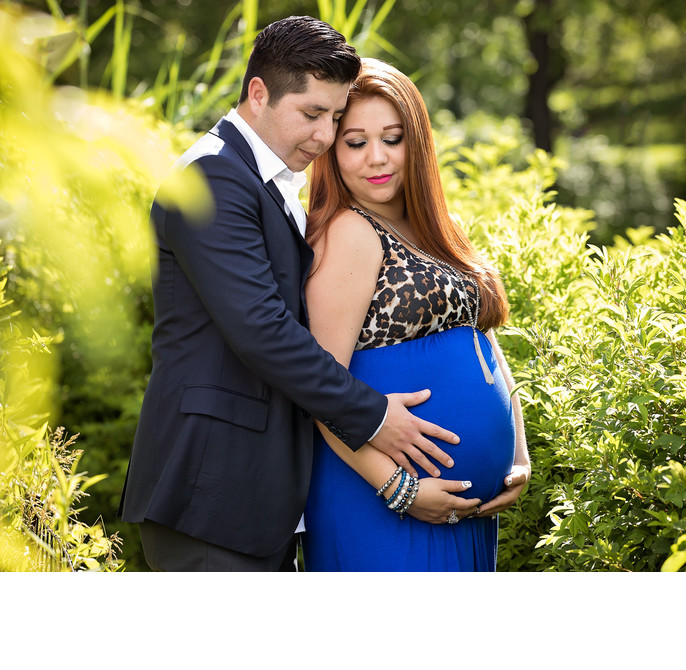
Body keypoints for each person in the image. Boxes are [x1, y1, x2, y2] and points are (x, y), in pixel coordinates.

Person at [118, 18, 474, 572]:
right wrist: (376, 415)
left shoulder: (265, 180)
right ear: (257, 94)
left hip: (256, 499)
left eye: (335, 118)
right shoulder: (211, 178)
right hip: (210, 493)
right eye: (312, 114)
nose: (326, 137)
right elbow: (263, 333)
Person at [301, 58, 531, 571]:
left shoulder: (438, 226)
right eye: (356, 142)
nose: (376, 158)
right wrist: (400, 489)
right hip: (378, 501)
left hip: (465, 508)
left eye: (393, 138)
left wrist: (517, 454)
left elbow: (483, 344)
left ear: (418, 142)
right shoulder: (348, 233)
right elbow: (318, 391)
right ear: (332, 150)